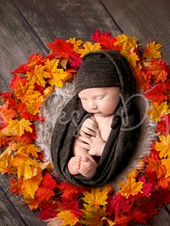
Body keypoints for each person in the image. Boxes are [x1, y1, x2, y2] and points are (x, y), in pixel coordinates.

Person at [51, 50, 140, 187]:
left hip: (103, 155)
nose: (91, 105)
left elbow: (124, 148)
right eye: (84, 99)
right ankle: (78, 161)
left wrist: (103, 148)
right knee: (77, 143)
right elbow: (70, 126)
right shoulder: (89, 114)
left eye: (99, 97)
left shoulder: (126, 117)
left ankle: (91, 169)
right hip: (84, 146)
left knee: (92, 161)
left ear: (121, 90)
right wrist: (81, 124)